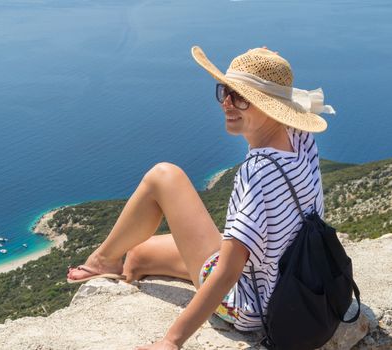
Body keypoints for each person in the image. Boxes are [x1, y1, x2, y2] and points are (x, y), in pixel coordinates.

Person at [66, 45, 335, 350]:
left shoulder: (257, 174)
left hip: (249, 304)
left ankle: (102, 260)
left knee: (164, 176)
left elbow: (227, 273)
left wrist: (171, 340)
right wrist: (269, 72)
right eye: (225, 92)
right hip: (290, 281)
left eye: (242, 98)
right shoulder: (300, 138)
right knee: (138, 254)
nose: (227, 104)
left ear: (270, 106)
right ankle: (112, 263)